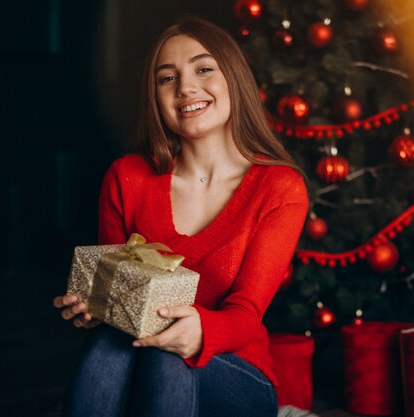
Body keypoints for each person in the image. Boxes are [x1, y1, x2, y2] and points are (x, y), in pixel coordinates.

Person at [53, 16, 308, 417]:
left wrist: (201, 332)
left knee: (166, 351)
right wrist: (96, 305)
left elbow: (246, 313)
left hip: (237, 375)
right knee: (115, 341)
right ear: (155, 98)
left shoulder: (279, 188)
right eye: (166, 79)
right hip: (133, 358)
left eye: (203, 69)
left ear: (234, 80)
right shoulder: (127, 177)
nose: (185, 88)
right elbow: (115, 287)